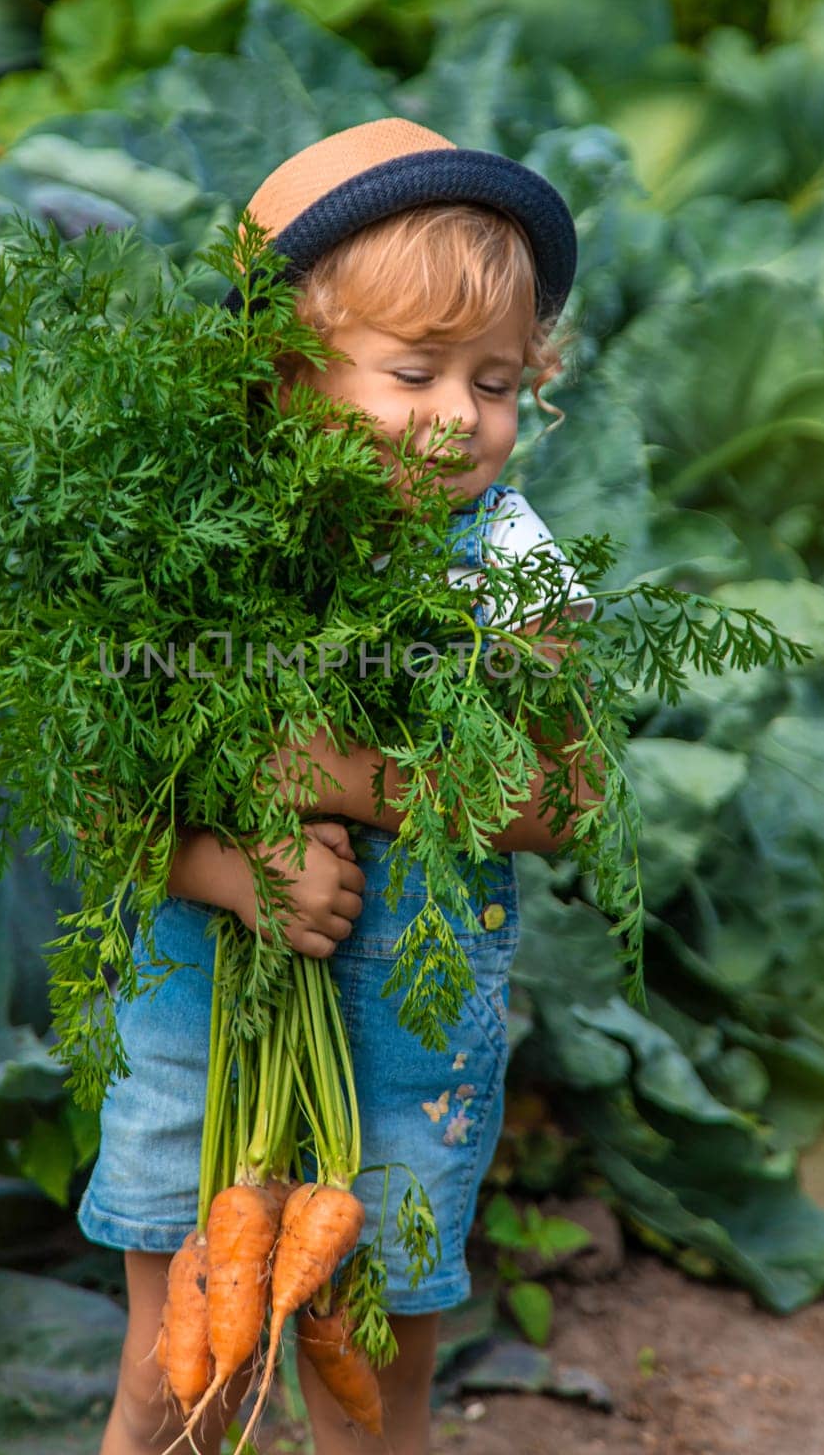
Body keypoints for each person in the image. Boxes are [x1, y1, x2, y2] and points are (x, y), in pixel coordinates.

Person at [79, 118, 596, 1455]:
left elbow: (568, 798)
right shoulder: (188, 542)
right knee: (168, 1373)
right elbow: (93, 793)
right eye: (414, 369)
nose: (459, 416)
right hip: (200, 1044)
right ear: (280, 375)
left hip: (406, 1054)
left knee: (369, 1383)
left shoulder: (515, 567)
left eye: (494, 381)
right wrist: (222, 866)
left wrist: (351, 782)